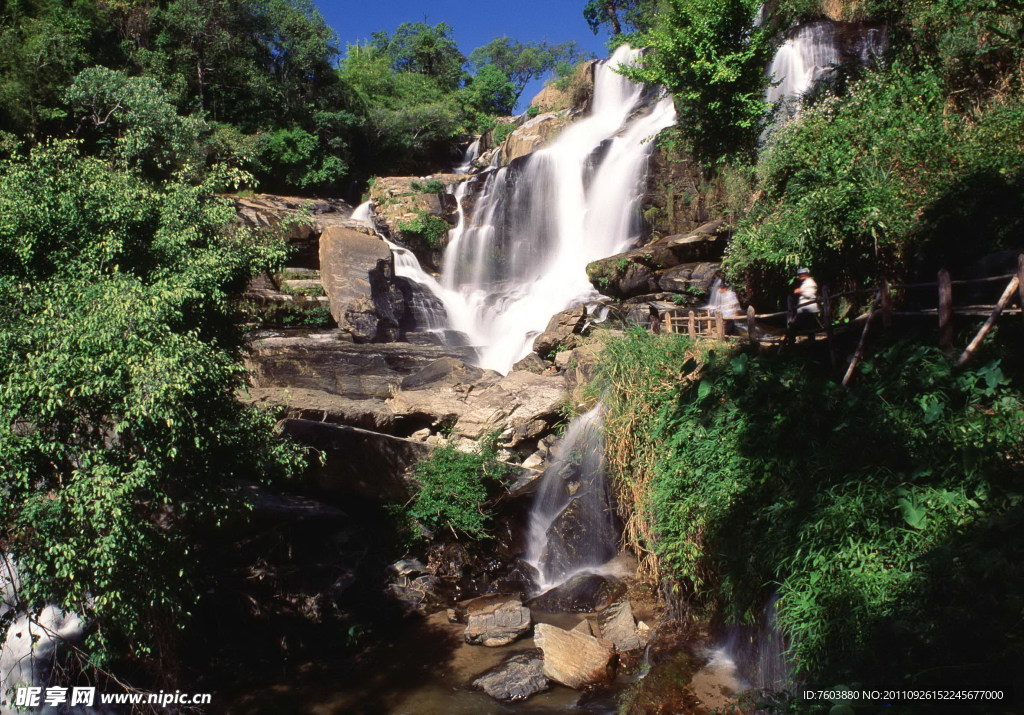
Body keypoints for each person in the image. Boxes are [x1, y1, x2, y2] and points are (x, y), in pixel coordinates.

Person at [793, 267, 819, 332]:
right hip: (804, 310)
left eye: (802, 274)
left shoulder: (810, 283)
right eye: (799, 274)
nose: (800, 275)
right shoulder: (805, 283)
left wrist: (800, 291)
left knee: (808, 327)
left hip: (809, 309)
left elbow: (811, 295)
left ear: (807, 274)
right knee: (807, 328)